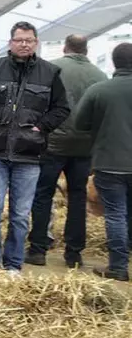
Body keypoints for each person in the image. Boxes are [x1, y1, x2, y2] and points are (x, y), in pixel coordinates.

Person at [0, 21, 70, 274]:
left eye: (29, 40)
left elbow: (62, 108)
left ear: (36, 43)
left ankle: (13, 264)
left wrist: (41, 127)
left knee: (20, 215)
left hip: (29, 153)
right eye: (19, 40)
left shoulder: (50, 72)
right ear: (10, 43)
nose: (24, 44)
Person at [25, 34, 108, 268]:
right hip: (84, 147)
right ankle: (74, 254)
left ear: (65, 47)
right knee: (78, 197)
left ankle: (39, 248)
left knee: (43, 194)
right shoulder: (99, 75)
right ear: (87, 50)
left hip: (52, 144)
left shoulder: (52, 69)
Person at [74, 42, 132, 282]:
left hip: (109, 162)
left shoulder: (99, 90)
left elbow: (80, 123)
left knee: (116, 214)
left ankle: (118, 266)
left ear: (114, 62)